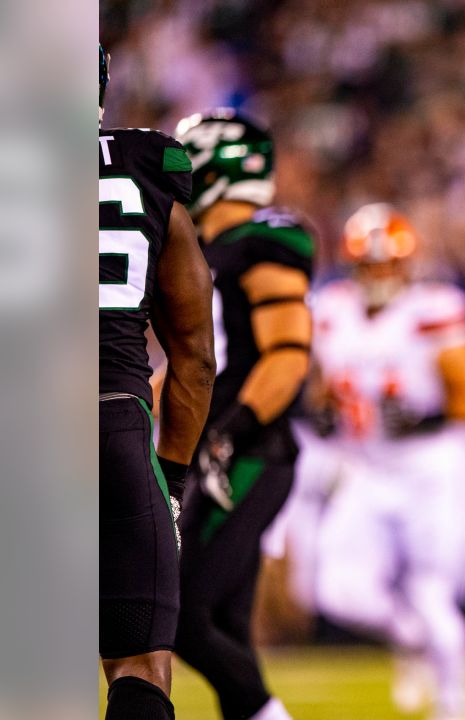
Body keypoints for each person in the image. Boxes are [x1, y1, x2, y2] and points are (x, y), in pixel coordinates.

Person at [309, 203, 465, 719]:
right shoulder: (332, 309)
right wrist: (323, 414)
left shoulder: (432, 307)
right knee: (338, 591)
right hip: (367, 469)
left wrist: (425, 418)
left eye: (388, 263)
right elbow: (326, 389)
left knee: (432, 593)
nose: (380, 274)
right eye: (370, 265)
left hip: (429, 469)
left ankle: (454, 706)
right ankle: (408, 636)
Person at [172, 108, 313, 720]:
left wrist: (230, 432)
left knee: (177, 612)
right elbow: (197, 362)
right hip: (224, 448)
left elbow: (288, 353)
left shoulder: (261, 237)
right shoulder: (207, 249)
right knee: (223, 620)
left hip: (248, 451)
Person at [98, 43, 216, 720]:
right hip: (110, 421)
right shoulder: (148, 165)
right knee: (139, 664)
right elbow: (194, 354)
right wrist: (168, 483)